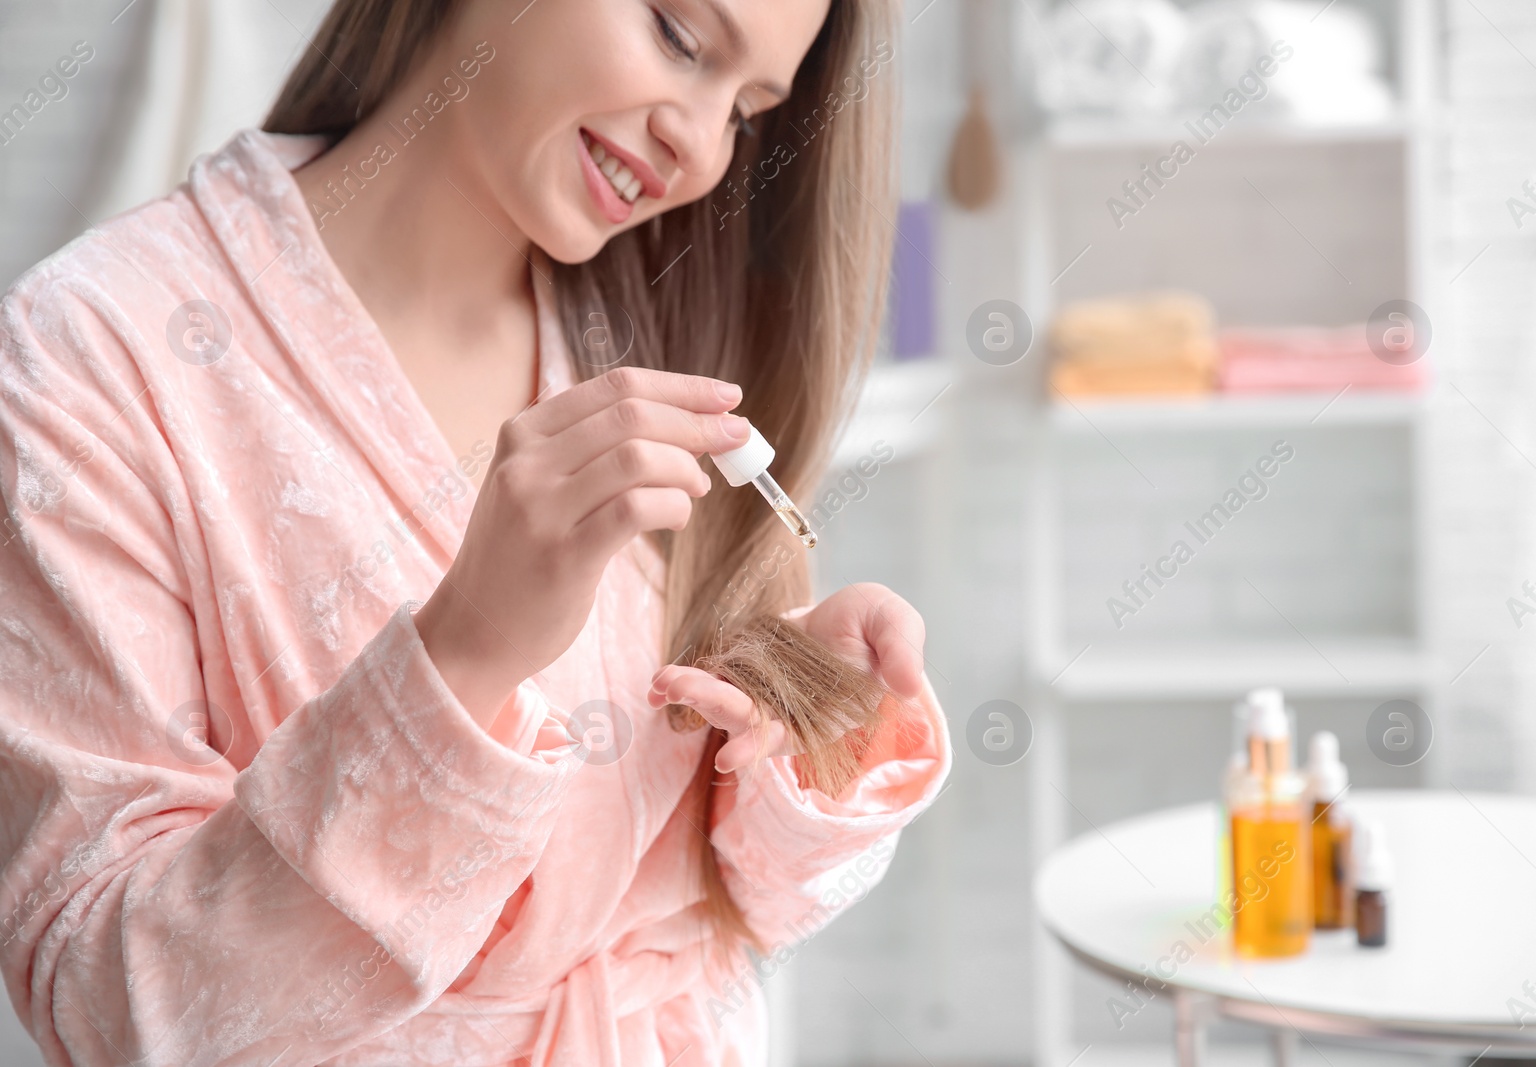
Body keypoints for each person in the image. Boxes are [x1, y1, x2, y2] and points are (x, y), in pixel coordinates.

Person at [0, 0, 950, 1064]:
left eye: (745, 108)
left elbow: (754, 901)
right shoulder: (93, 354)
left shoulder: (666, 326)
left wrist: (805, 714)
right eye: (680, 39)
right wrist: (465, 650)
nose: (697, 144)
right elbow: (106, 1006)